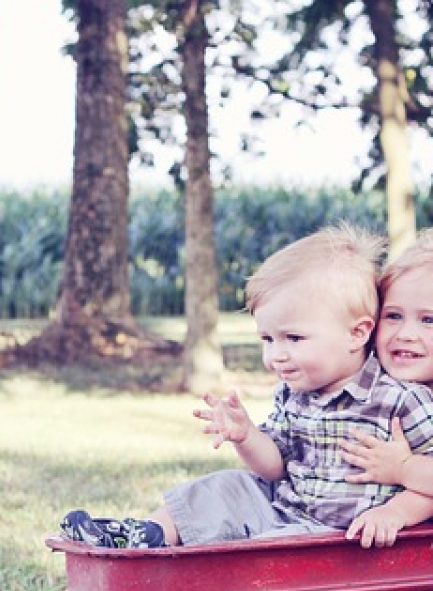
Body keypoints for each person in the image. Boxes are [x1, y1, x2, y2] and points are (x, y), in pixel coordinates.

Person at [61, 224, 433, 550]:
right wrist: (247, 437)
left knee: (259, 546)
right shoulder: (295, 393)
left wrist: (395, 509)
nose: (276, 356)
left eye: (294, 338)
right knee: (226, 486)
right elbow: (273, 468)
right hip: (287, 508)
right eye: (268, 339)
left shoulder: (400, 399)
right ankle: (147, 534)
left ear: (357, 333)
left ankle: (193, 559)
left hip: (333, 533)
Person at [341, 229, 433, 505]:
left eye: (429, 320)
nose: (406, 333)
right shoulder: (374, 392)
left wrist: (403, 468)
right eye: (393, 315)